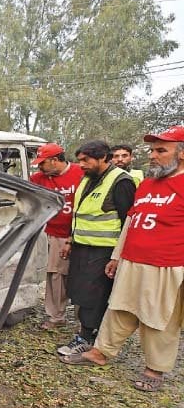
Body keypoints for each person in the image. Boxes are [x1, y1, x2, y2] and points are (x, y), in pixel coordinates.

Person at [61, 126, 184, 391]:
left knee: (157, 318)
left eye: (161, 150)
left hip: (166, 265)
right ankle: (100, 352)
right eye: (152, 150)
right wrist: (117, 256)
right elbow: (130, 220)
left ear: (182, 154)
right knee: (118, 309)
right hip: (132, 260)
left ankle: (155, 369)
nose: (152, 156)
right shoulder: (148, 184)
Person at [56, 140, 136, 357]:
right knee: (79, 291)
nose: (81, 164)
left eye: (86, 160)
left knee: (95, 294)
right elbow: (79, 214)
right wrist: (71, 241)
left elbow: (128, 222)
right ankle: (88, 334)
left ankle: (88, 338)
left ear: (103, 158)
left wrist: (118, 256)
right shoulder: (87, 179)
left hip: (104, 251)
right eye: (80, 160)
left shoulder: (121, 182)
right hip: (82, 247)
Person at [29, 143, 84, 330]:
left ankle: (83, 320)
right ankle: (56, 316)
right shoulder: (39, 178)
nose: (39, 167)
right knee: (55, 275)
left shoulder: (80, 173)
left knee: (80, 276)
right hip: (54, 233)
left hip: (81, 234)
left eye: (42, 163)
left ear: (54, 160)